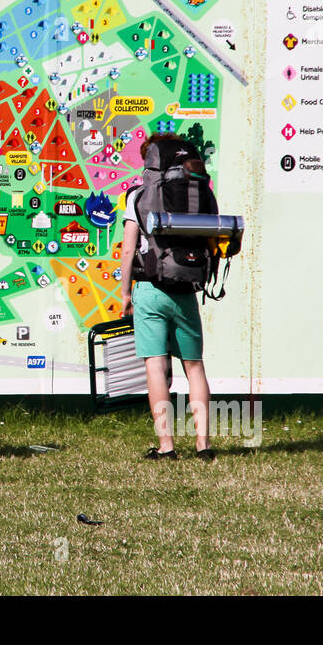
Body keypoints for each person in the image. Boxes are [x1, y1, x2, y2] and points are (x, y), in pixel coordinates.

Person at [118, 132, 214, 462]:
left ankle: (167, 446)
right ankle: (203, 446)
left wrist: (125, 291)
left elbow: (129, 247)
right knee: (195, 367)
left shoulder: (138, 195)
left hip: (149, 288)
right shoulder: (199, 192)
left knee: (156, 366)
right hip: (186, 289)